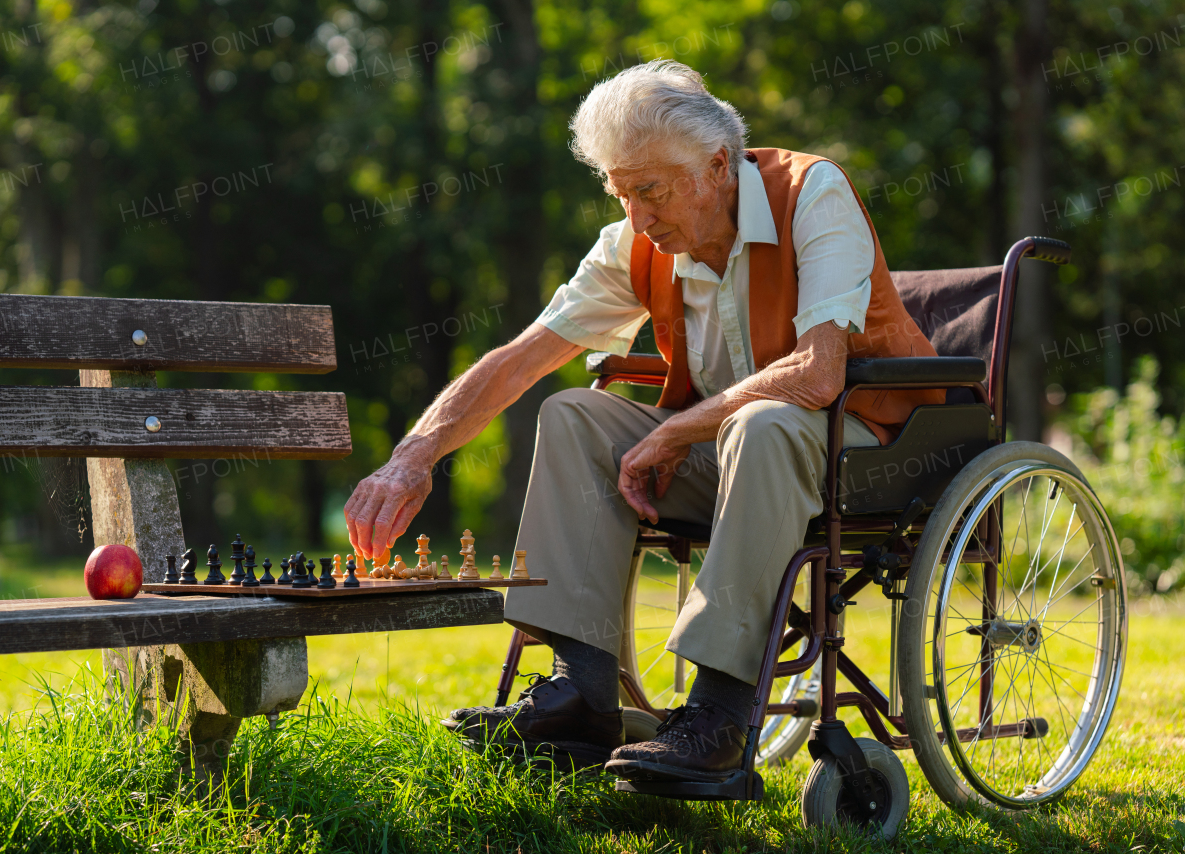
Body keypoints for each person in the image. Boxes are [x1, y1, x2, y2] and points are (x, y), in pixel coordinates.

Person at [343, 60, 941, 782]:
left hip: (867, 450)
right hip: (729, 452)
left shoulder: (811, 193)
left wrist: (676, 430)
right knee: (573, 413)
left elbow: (818, 374)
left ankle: (718, 717)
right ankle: (582, 694)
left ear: (717, 167)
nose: (637, 217)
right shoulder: (637, 241)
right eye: (621, 193)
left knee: (765, 425)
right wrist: (416, 454)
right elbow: (522, 358)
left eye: (650, 191)